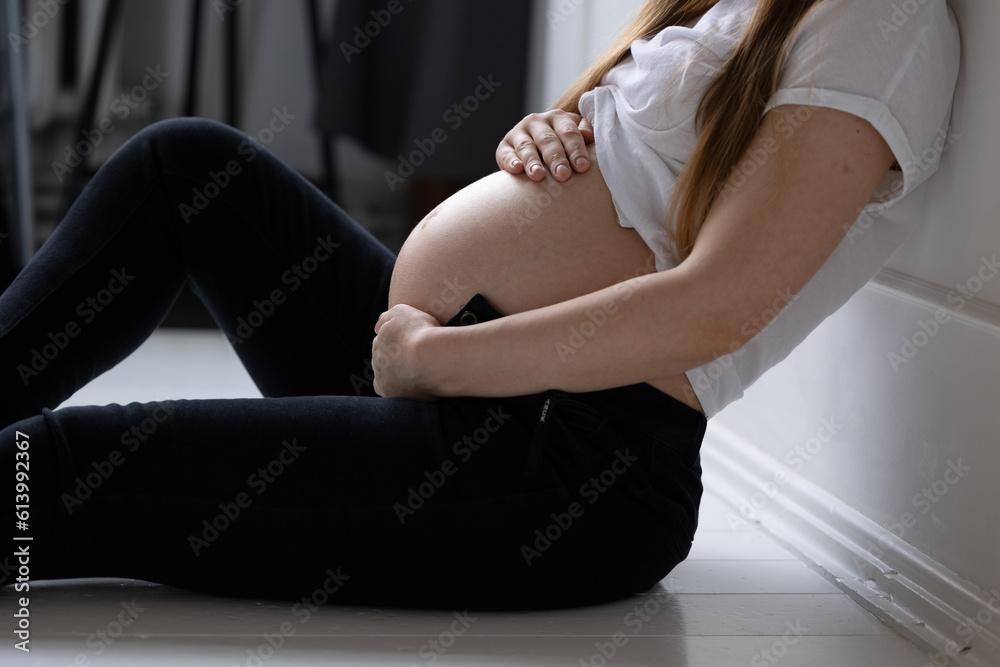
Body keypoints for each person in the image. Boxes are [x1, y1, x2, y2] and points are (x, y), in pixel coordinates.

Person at [1, 0, 959, 611]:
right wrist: (559, 131)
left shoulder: (881, 18)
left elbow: (717, 305)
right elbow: (640, 194)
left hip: (563, 466)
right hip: (444, 377)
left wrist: (438, 363)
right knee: (186, 166)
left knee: (66, 467)